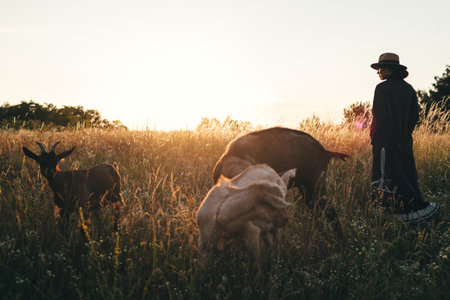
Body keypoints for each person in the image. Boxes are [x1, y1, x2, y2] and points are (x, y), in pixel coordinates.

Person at [370, 52, 439, 223]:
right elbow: (414, 116)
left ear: (389, 70)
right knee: (406, 176)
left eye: (380, 69)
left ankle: (394, 215)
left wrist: (375, 138)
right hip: (405, 143)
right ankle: (414, 210)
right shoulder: (409, 89)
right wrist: (405, 135)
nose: (378, 72)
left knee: (386, 177)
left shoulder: (382, 89)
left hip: (385, 143)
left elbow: (379, 116)